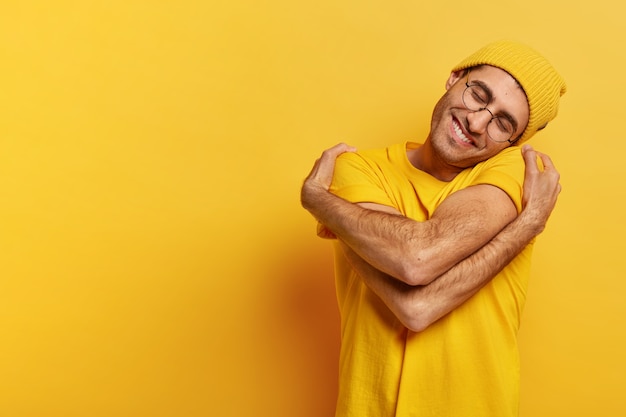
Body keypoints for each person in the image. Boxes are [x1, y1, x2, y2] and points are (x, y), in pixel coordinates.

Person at [300, 40, 567, 417]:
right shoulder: (357, 169)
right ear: (455, 78)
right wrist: (527, 224)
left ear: (514, 143)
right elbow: (417, 286)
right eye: (478, 94)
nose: (477, 123)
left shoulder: (517, 174)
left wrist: (322, 204)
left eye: (503, 123)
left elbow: (415, 267)